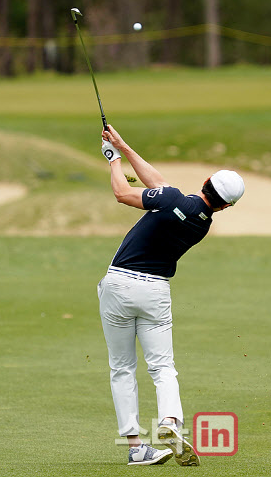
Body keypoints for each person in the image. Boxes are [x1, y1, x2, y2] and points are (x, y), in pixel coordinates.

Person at [97, 124, 245, 466]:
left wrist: (112, 158)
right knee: (163, 366)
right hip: (155, 292)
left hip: (119, 286)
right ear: (225, 206)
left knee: (122, 368)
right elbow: (159, 184)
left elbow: (123, 193)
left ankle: (136, 447)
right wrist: (123, 144)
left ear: (206, 180)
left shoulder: (174, 199)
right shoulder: (202, 221)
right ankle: (169, 423)